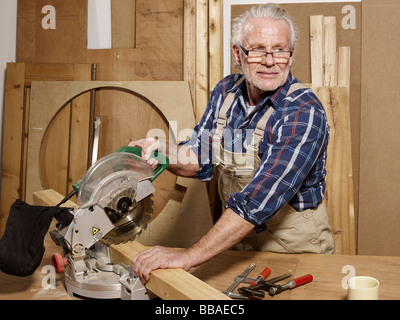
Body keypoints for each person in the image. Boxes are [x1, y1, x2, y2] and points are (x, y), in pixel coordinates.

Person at [130, 3, 334, 284]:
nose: (270, 60)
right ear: (238, 54)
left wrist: (187, 256)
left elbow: (255, 204)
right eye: (258, 49)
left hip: (295, 249)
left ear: (291, 55)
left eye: (280, 50)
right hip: (237, 242)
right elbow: (200, 157)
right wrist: (166, 151)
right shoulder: (226, 92)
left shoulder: (302, 113)